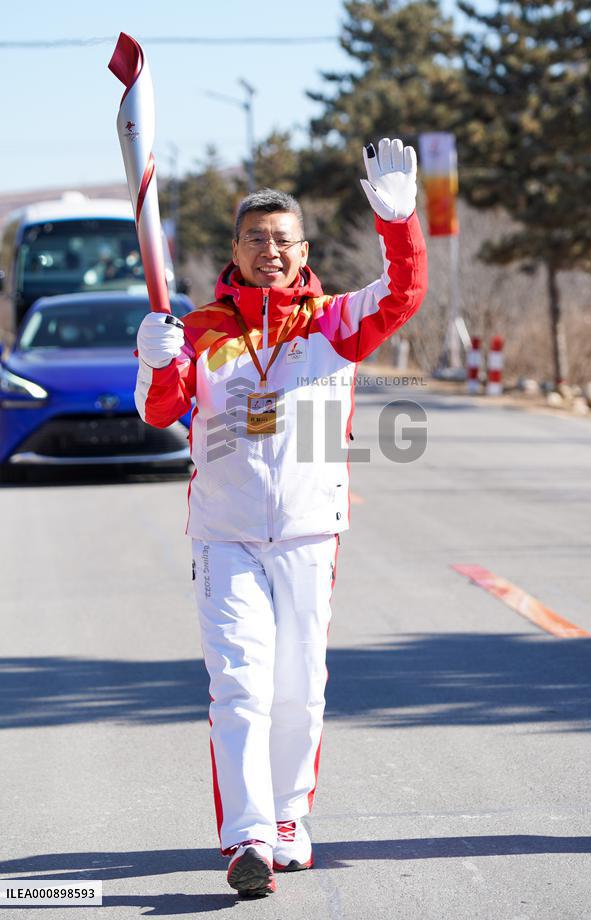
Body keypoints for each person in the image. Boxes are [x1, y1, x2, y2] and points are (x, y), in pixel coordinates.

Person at [134, 138, 428, 898]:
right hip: (223, 535)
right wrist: (153, 360)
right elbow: (161, 410)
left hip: (306, 531)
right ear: (234, 248)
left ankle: (289, 817)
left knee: (299, 688)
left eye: (283, 240)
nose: (270, 251)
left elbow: (402, 294)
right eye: (255, 238)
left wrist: (399, 224)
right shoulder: (198, 330)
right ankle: (247, 838)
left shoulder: (333, 322)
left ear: (302, 250)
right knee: (240, 685)